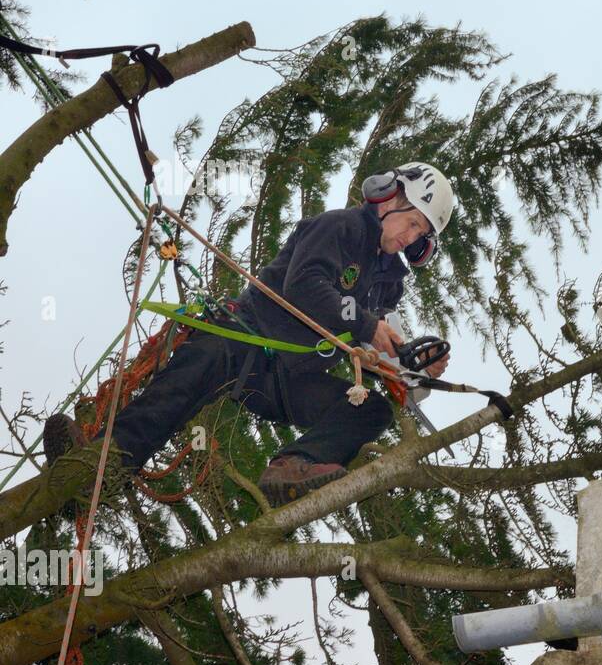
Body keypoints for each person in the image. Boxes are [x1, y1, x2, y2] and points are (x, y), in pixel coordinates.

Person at [43, 163, 456, 506]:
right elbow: (305, 286)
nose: (410, 236)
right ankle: (98, 467)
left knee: (372, 411)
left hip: (290, 378)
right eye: (412, 221)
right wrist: (367, 324)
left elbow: (374, 345)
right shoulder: (342, 228)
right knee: (177, 391)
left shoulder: (389, 282)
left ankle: (293, 466)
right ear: (389, 199)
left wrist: (409, 366)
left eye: (421, 236)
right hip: (245, 334)